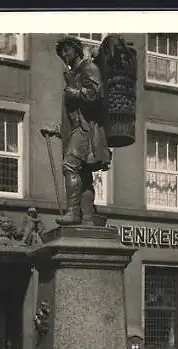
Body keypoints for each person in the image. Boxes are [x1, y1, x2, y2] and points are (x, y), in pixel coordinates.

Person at [41, 36, 111, 225]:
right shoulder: (74, 74)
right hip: (77, 129)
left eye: (67, 50)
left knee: (70, 166)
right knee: (84, 175)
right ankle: (87, 214)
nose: (64, 55)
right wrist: (57, 130)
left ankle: (73, 213)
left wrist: (75, 93)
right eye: (62, 52)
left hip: (85, 130)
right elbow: (74, 115)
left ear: (77, 50)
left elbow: (96, 95)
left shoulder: (88, 67)